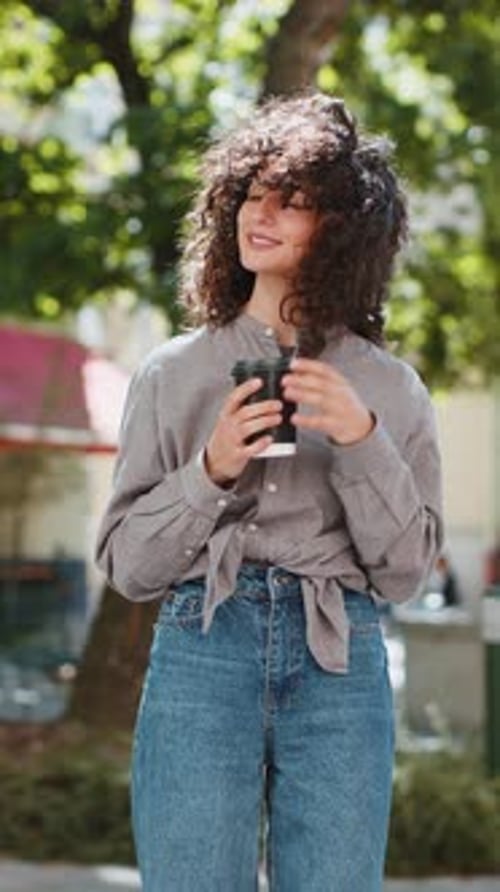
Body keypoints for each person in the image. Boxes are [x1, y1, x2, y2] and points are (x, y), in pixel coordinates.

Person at [96, 93, 443, 892]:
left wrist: (363, 442)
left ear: (343, 231)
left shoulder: (391, 389)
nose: (263, 214)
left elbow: (403, 574)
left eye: (295, 203)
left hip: (339, 654)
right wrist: (209, 470)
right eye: (254, 193)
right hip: (202, 639)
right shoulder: (174, 374)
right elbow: (128, 568)